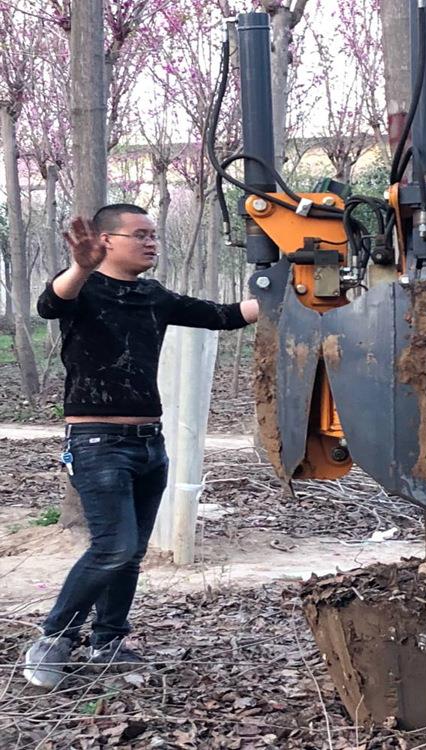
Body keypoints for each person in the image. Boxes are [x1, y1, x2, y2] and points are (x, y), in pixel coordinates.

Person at [23, 203, 258, 690]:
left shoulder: (153, 295)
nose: (152, 242)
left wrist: (290, 291)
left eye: (154, 234)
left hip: (150, 443)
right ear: (106, 241)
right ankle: (52, 639)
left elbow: (225, 315)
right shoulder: (82, 287)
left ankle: (107, 641)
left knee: (129, 554)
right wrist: (80, 267)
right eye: (141, 234)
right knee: (114, 547)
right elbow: (50, 304)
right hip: (97, 442)